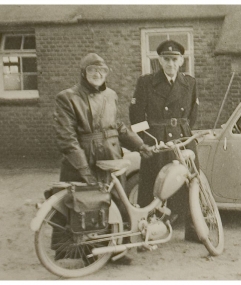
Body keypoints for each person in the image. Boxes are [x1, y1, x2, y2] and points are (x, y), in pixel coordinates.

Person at [52, 53, 152, 264]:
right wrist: (83, 169)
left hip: (109, 156)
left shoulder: (111, 95)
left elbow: (117, 127)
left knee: (115, 203)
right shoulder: (67, 97)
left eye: (102, 70)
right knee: (82, 206)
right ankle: (85, 253)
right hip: (82, 158)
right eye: (92, 70)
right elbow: (67, 139)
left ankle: (116, 251)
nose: (98, 74)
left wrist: (139, 145)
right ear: (83, 72)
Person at [129, 40, 200, 242]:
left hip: (182, 139)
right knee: (152, 184)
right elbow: (136, 117)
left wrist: (182, 130)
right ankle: (146, 230)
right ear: (160, 61)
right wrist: (147, 140)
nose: (170, 64)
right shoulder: (146, 82)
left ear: (181, 61)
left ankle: (193, 227)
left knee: (190, 181)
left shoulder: (189, 82)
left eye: (174, 59)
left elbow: (192, 115)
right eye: (166, 59)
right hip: (157, 139)